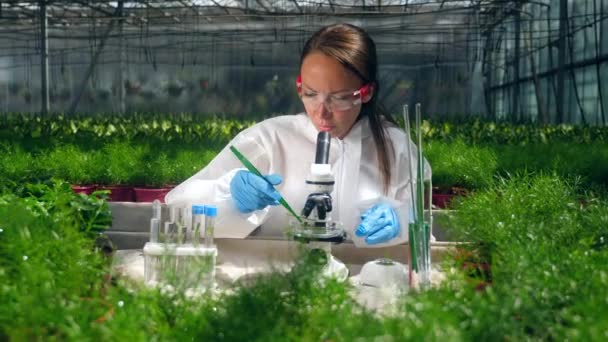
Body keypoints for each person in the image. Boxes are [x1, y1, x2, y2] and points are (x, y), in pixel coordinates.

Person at [165, 23, 430, 247]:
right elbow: (179, 208)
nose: (322, 113)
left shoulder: (397, 149)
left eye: (339, 98)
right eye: (311, 94)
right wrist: (227, 194)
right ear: (299, 86)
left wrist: (402, 221)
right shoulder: (268, 140)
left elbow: (423, 225)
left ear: (367, 92)